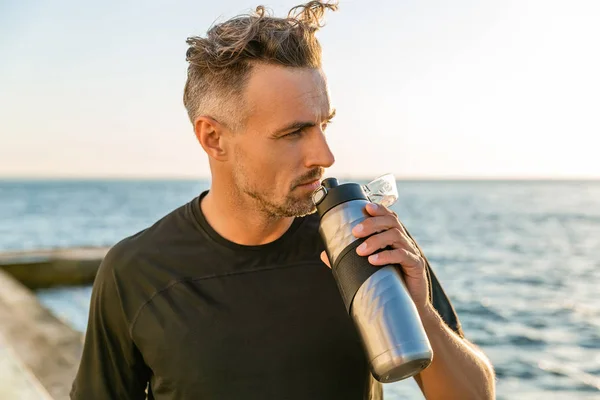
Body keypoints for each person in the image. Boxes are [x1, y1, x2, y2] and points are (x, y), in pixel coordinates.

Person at [71, 1, 495, 399]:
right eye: (294, 132)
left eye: (323, 124)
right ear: (213, 138)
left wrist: (419, 311)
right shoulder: (135, 272)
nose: (325, 157)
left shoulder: (363, 240)